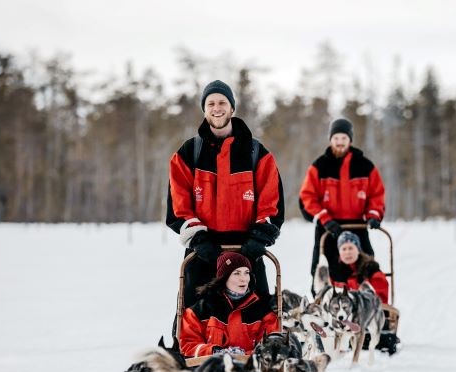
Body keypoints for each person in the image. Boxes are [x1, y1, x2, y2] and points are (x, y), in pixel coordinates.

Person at [166, 79, 284, 311]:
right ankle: (188, 348)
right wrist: (199, 240)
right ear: (204, 109)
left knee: (258, 317)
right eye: (210, 103)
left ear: (232, 108)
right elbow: (178, 204)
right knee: (193, 316)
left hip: (247, 251)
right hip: (203, 252)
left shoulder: (257, 153)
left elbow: (271, 203)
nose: (216, 108)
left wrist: (258, 240)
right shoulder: (189, 153)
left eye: (222, 102)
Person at [298, 117, 385, 285]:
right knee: (324, 267)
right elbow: (307, 196)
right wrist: (324, 218)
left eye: (343, 138)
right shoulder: (320, 166)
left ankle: (368, 298)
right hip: (328, 227)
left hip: (357, 226)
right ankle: (323, 299)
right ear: (330, 139)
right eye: (336, 138)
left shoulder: (365, 166)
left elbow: (377, 194)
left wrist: (374, 214)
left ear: (350, 140)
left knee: (367, 265)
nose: (339, 142)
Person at [179, 252, 280, 358]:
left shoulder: (263, 310)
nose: (243, 278)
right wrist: (214, 352)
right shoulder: (201, 310)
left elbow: (271, 347)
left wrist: (243, 356)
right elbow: (187, 345)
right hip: (212, 369)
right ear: (224, 277)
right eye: (237, 273)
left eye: (246, 272)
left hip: (250, 370)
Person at [330, 231, 389, 304]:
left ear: (358, 250)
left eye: (351, 248)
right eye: (344, 249)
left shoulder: (371, 270)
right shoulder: (334, 272)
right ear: (339, 252)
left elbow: (381, 299)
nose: (347, 252)